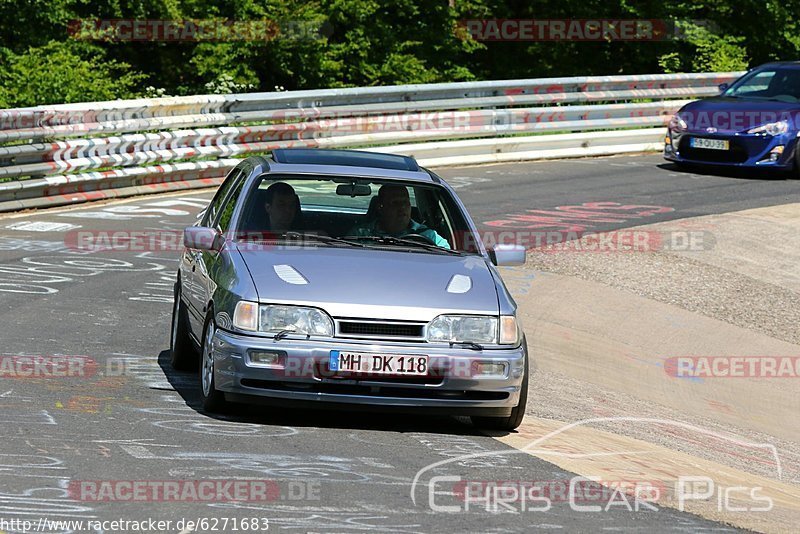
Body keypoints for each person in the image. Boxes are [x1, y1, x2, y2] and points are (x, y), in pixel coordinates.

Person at [348, 184, 450, 249]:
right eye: (395, 203)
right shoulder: (360, 234)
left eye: (405, 202)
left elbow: (448, 256)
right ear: (380, 207)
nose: (402, 207)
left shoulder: (428, 235)